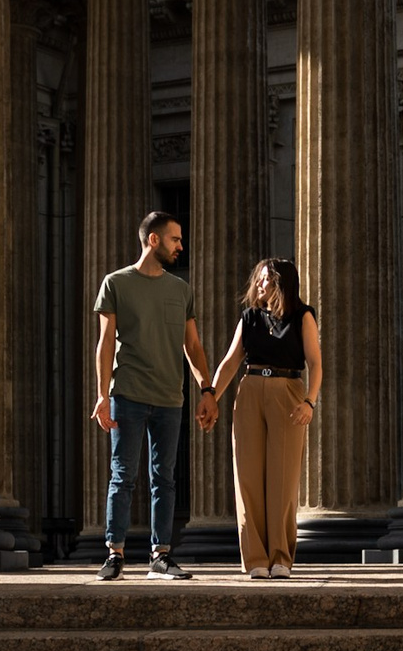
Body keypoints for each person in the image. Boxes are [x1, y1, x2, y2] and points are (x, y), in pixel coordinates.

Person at [92, 211, 218, 580]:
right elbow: (104, 344)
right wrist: (102, 395)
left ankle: (160, 556)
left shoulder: (181, 289)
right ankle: (114, 554)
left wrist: (206, 389)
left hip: (169, 398)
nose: (181, 245)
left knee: (164, 477)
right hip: (127, 394)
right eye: (175, 239)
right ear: (153, 240)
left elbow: (192, 346)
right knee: (123, 475)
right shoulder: (115, 283)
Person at [204, 257, 321, 578]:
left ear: (281, 282)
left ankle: (280, 556)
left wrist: (310, 401)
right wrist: (211, 395)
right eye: (258, 278)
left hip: (289, 392)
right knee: (248, 478)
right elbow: (229, 362)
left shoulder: (302, 316)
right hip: (250, 391)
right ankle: (255, 558)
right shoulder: (250, 318)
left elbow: (316, 363)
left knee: (283, 479)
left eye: (265, 278)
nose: (259, 284)